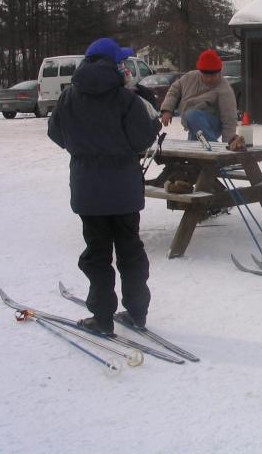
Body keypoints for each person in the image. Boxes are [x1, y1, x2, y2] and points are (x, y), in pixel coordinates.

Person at [47, 37, 162, 335]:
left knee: (96, 254)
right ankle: (137, 312)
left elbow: (56, 134)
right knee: (130, 251)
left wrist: (84, 147)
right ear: (114, 65)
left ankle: (102, 317)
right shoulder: (127, 99)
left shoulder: (68, 97)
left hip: (88, 189)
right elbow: (142, 139)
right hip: (123, 189)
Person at [159, 49, 243, 150]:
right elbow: (174, 91)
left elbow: (229, 119)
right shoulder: (189, 77)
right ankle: (209, 162)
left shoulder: (224, 89)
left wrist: (228, 145)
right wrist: (167, 110)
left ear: (219, 72)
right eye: (206, 75)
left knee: (192, 114)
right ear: (200, 72)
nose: (209, 79)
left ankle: (215, 153)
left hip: (213, 125)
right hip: (193, 125)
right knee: (192, 152)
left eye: (213, 76)